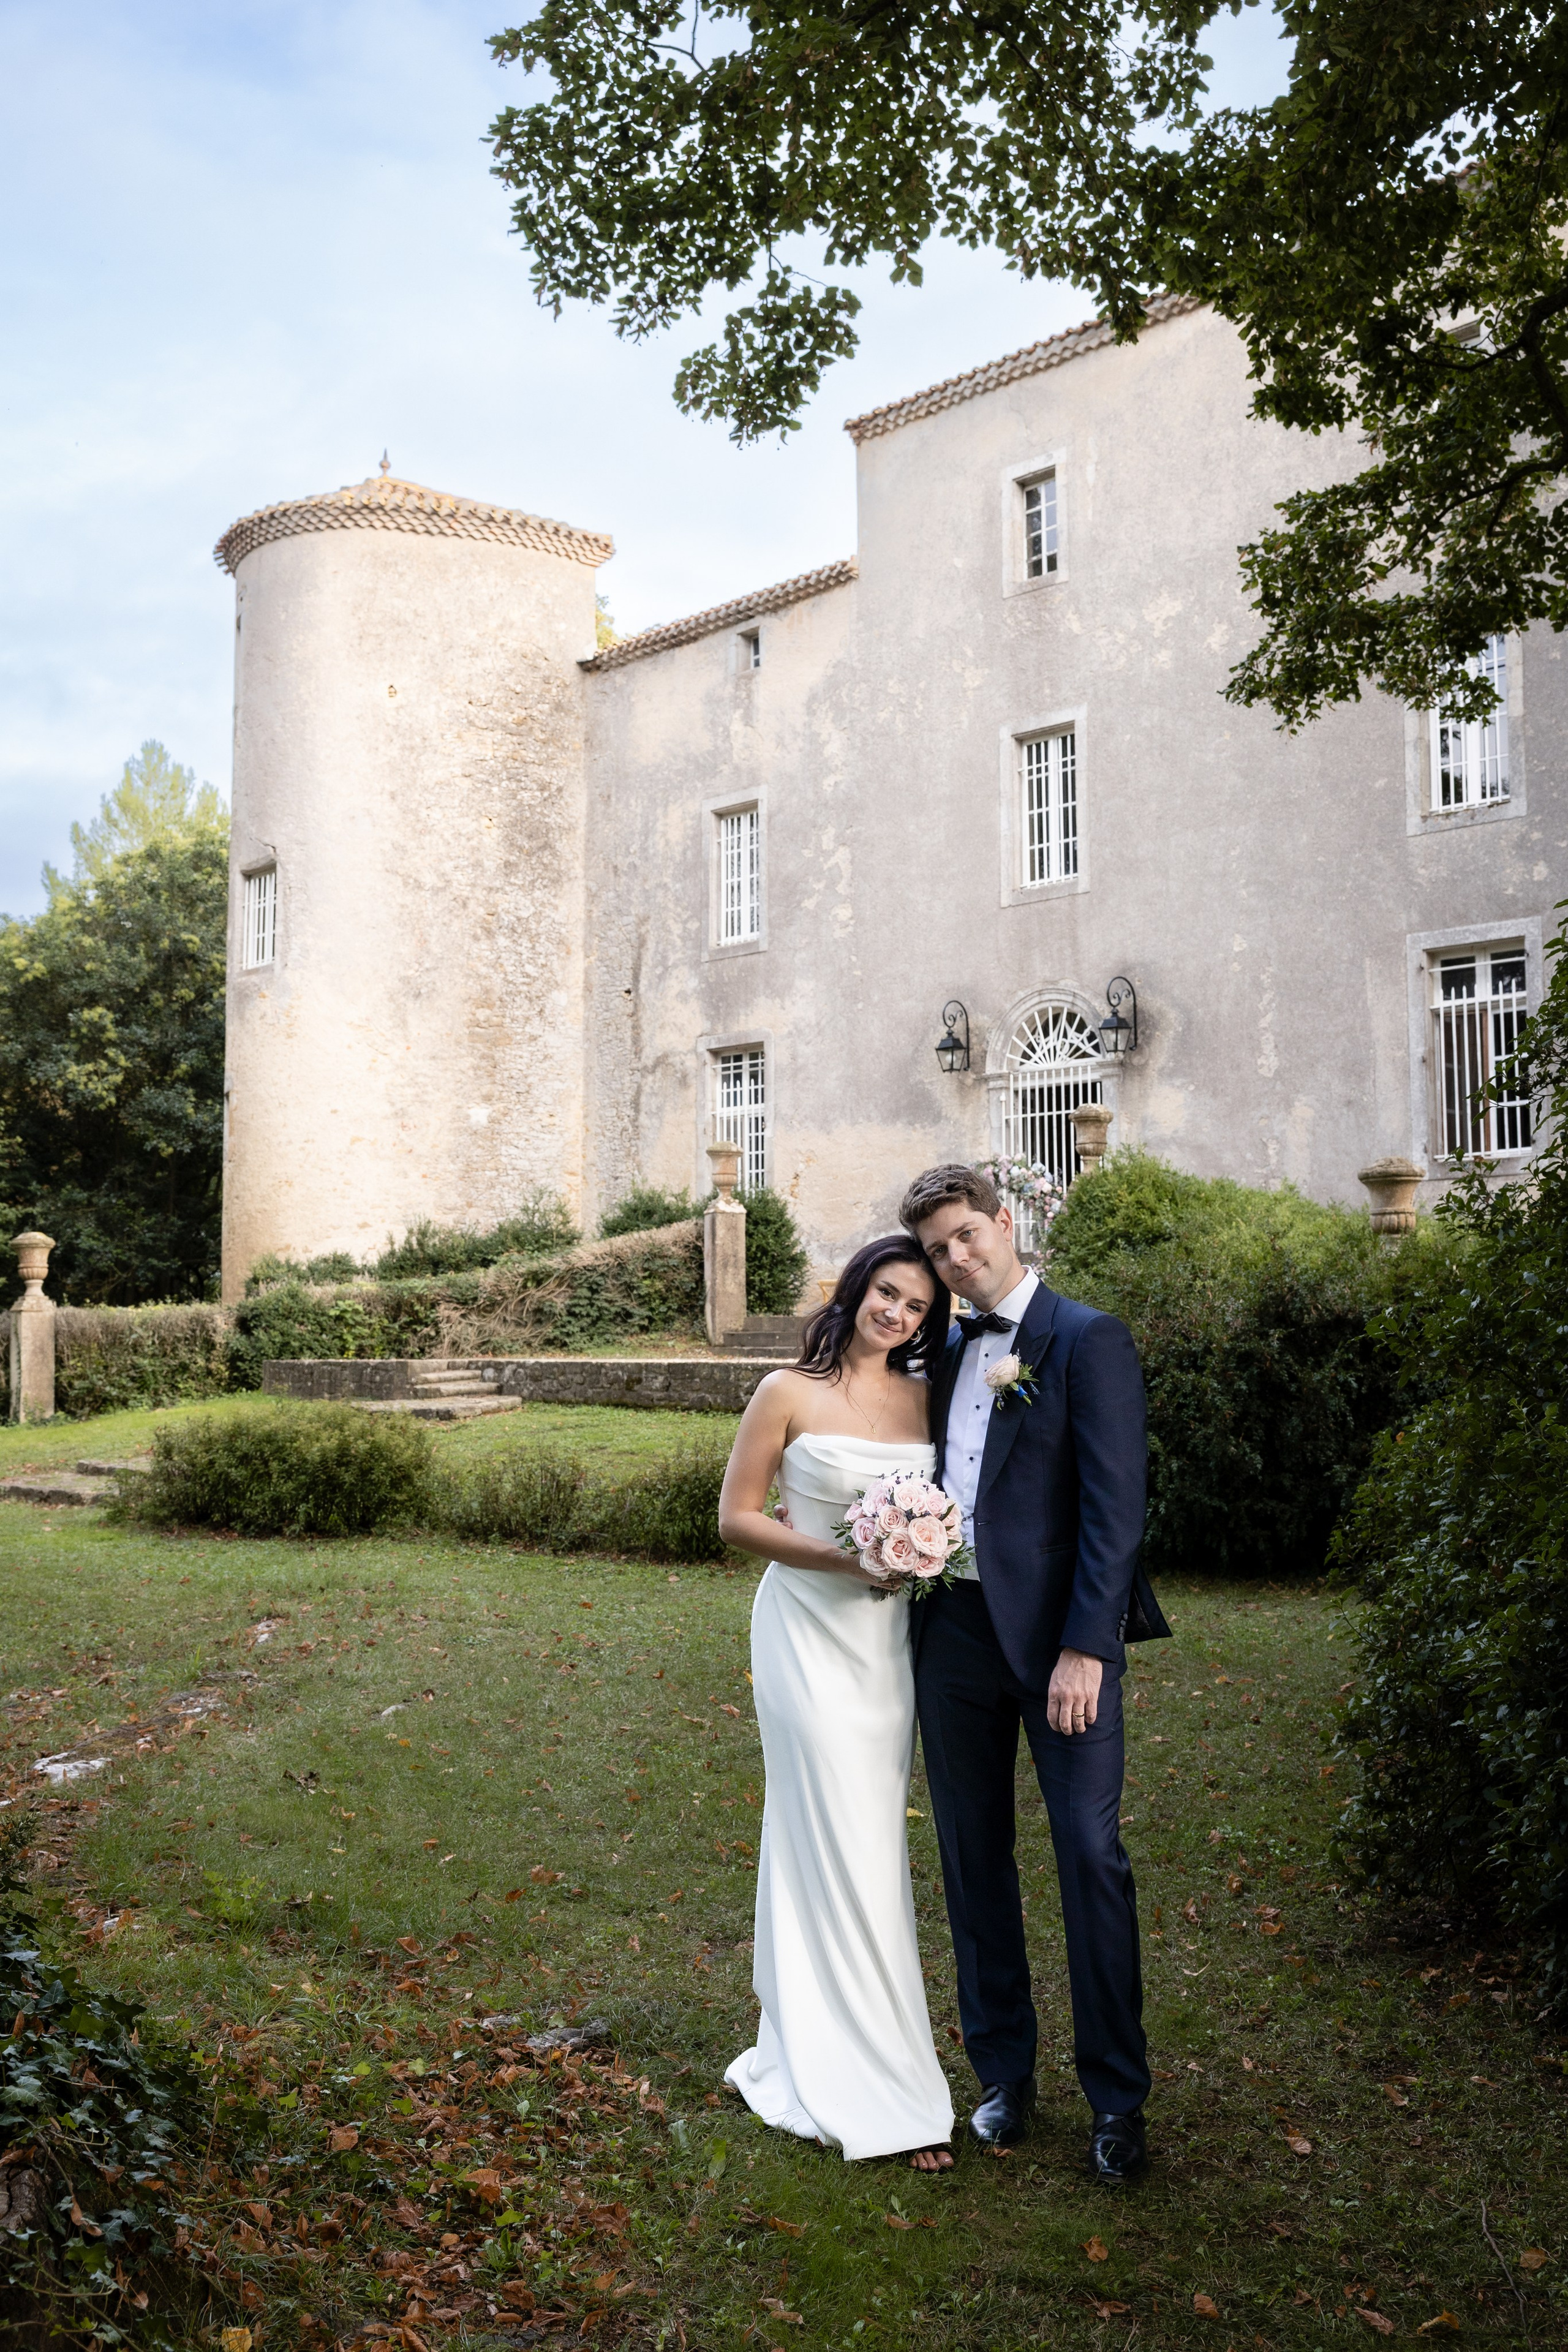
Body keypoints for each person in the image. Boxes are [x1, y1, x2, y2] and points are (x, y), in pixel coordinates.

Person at [901, 1162, 1170, 2185]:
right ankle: (1004, 2075)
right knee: (973, 1860)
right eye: (938, 1250)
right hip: (953, 1637)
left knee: (1089, 1862)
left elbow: (1114, 1511)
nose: (957, 1259)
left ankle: (1118, 2098)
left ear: (1005, 1223)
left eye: (967, 1236)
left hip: (1062, 1645)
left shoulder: (1086, 1339)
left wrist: (1088, 1647)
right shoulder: (941, 1345)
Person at [717, 1235, 957, 2170]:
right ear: (857, 1289)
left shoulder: (928, 1397)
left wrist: (919, 1549)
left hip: (886, 1650)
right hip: (805, 1638)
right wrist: (847, 1557)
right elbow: (737, 1518)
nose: (896, 1314)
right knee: (829, 1832)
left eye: (917, 1307)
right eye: (887, 1293)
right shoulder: (786, 1390)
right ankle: (861, 2077)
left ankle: (839, 2043)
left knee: (867, 1839)